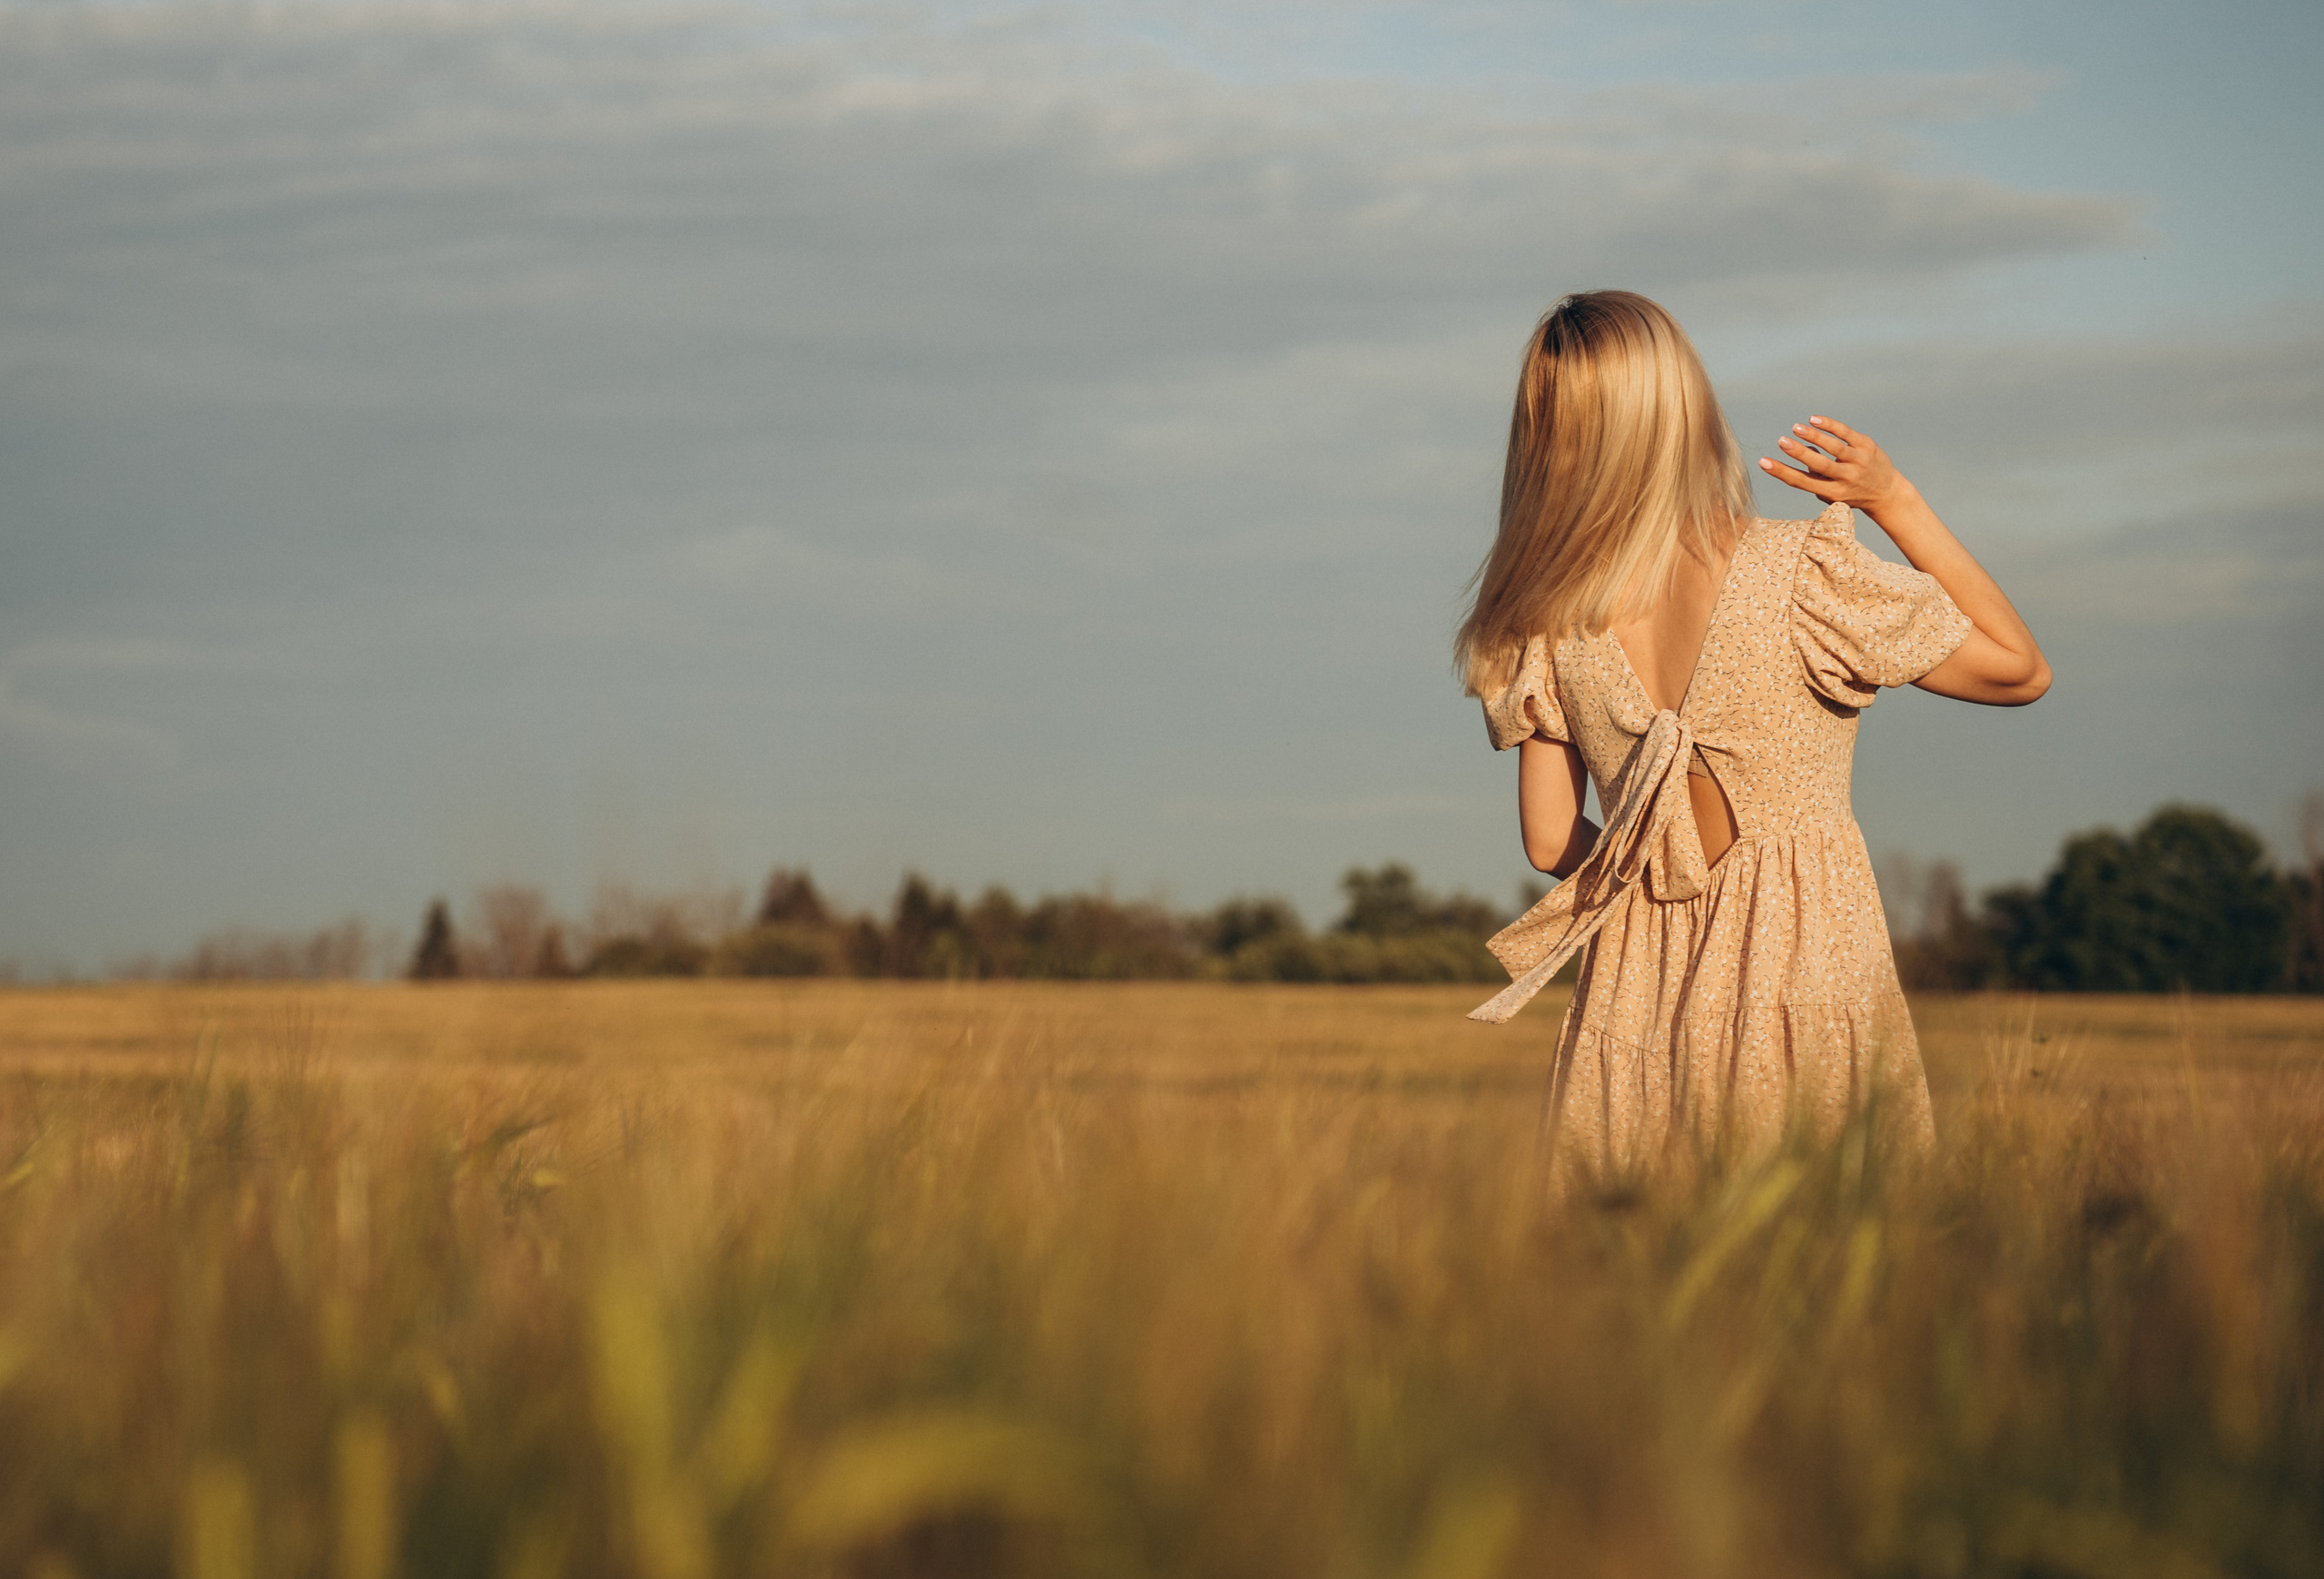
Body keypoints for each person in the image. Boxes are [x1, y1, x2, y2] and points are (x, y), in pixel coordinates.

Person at [1454, 291, 2049, 1179]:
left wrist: (1652, 875)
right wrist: (1896, 499)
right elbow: (2017, 669)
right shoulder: (1799, 571)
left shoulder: (1541, 622)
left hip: (1632, 982)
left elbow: (1548, 840)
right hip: (1804, 962)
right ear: (1681, 412)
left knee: (1637, 1278)